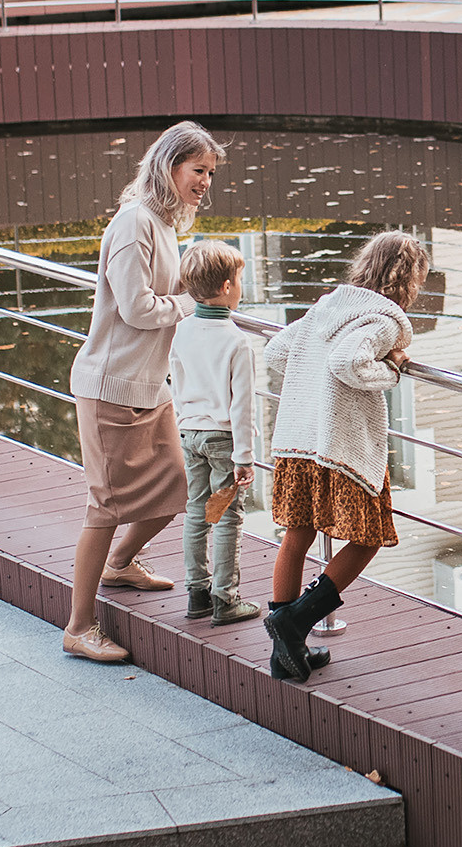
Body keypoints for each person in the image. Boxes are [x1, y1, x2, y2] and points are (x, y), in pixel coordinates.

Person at [61, 122, 219, 664]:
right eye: (198, 170)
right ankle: (79, 628)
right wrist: (191, 306)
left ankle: (120, 564)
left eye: (209, 174)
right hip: (110, 388)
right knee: (104, 506)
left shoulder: (162, 224)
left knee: (177, 488)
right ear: (170, 166)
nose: (205, 182)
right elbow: (136, 308)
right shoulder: (134, 224)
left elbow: (162, 293)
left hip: (150, 387)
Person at [261, 230, 429, 682]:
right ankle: (295, 620)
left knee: (297, 533)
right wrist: (392, 368)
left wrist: (314, 382)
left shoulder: (328, 306)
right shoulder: (384, 321)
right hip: (342, 446)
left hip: (299, 438)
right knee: (370, 535)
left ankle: (285, 653)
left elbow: (277, 351)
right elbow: (349, 364)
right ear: (409, 279)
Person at [170, 240, 262, 627]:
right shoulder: (236, 340)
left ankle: (197, 593)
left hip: (189, 433)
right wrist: (245, 456)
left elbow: (174, 381)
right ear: (226, 287)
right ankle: (226, 598)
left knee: (196, 510)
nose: (241, 286)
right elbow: (241, 405)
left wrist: (181, 423)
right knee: (225, 518)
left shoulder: (180, 330)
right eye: (239, 279)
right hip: (223, 440)